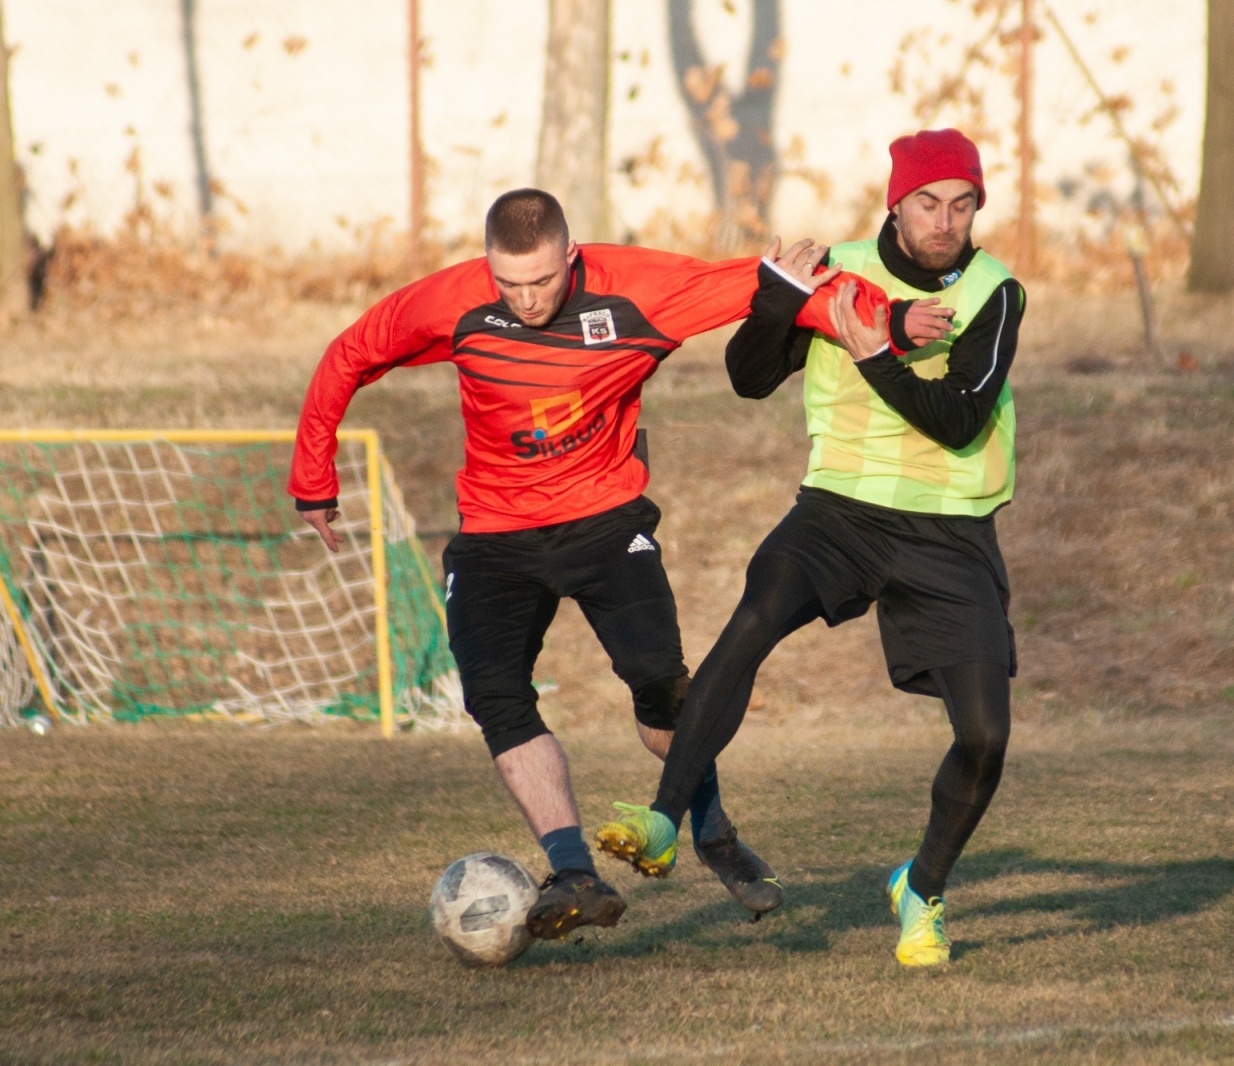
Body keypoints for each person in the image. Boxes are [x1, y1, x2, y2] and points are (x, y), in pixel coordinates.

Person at [289, 188, 947, 939]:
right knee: (495, 697)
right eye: (511, 284)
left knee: (660, 691)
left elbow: (766, 287)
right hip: (496, 534)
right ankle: (572, 871)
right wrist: (314, 477)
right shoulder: (455, 300)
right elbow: (352, 353)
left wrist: (884, 317)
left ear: (571, 256)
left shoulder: (636, 288)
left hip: (606, 522)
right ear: (489, 267)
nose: (527, 298)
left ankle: (713, 832)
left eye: (543, 280)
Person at [596, 129, 1025, 967]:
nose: (945, 221)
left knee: (985, 738)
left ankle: (922, 889)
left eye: (962, 205)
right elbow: (748, 377)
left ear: (979, 208)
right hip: (837, 511)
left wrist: (876, 356)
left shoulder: (995, 291)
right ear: (895, 203)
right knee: (755, 616)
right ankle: (661, 819)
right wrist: (777, 297)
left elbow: (960, 420)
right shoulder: (837, 272)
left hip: (949, 527)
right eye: (928, 203)